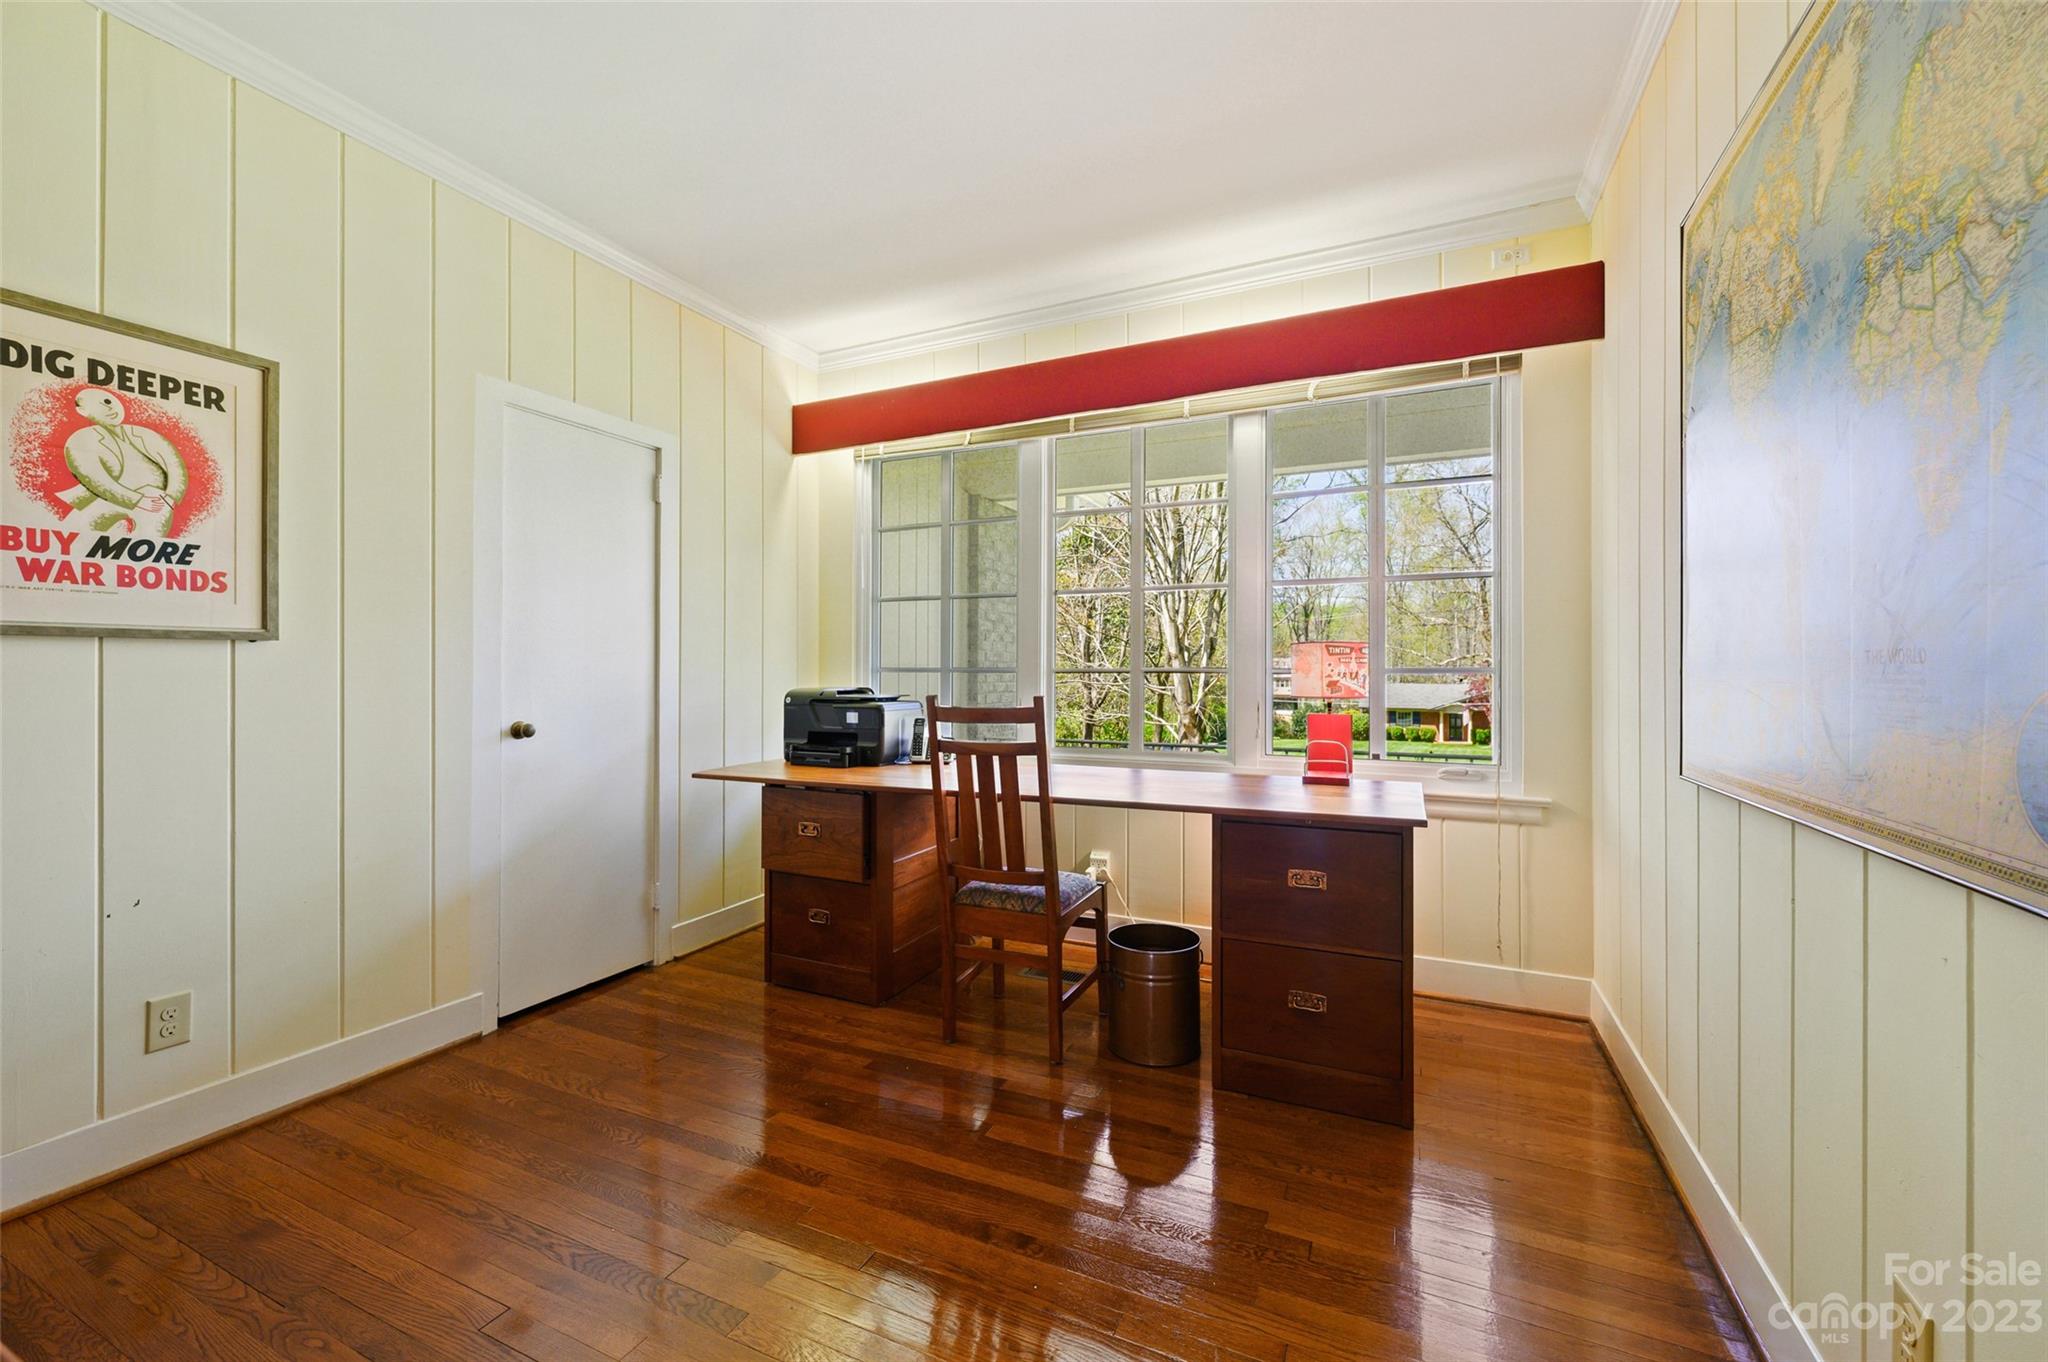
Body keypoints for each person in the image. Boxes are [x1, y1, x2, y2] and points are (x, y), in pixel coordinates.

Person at [59, 387, 187, 537]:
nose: (109, 408)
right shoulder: (81, 439)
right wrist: (137, 500)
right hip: (106, 500)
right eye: (98, 405)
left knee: (153, 538)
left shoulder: (145, 434)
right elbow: (95, 479)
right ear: (83, 411)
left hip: (156, 500)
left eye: (109, 401)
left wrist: (170, 496)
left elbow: (175, 465)